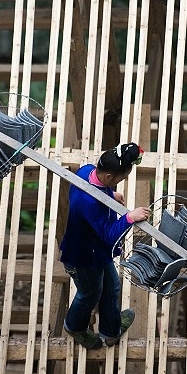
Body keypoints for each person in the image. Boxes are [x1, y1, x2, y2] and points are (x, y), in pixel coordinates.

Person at [60, 142, 151, 349]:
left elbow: (98, 193)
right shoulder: (89, 203)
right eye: (122, 178)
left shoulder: (87, 171)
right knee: (89, 294)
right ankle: (74, 326)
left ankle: (111, 332)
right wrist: (129, 217)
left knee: (112, 287)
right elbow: (109, 235)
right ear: (109, 177)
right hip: (83, 258)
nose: (123, 180)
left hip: (97, 250)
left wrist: (110, 195)